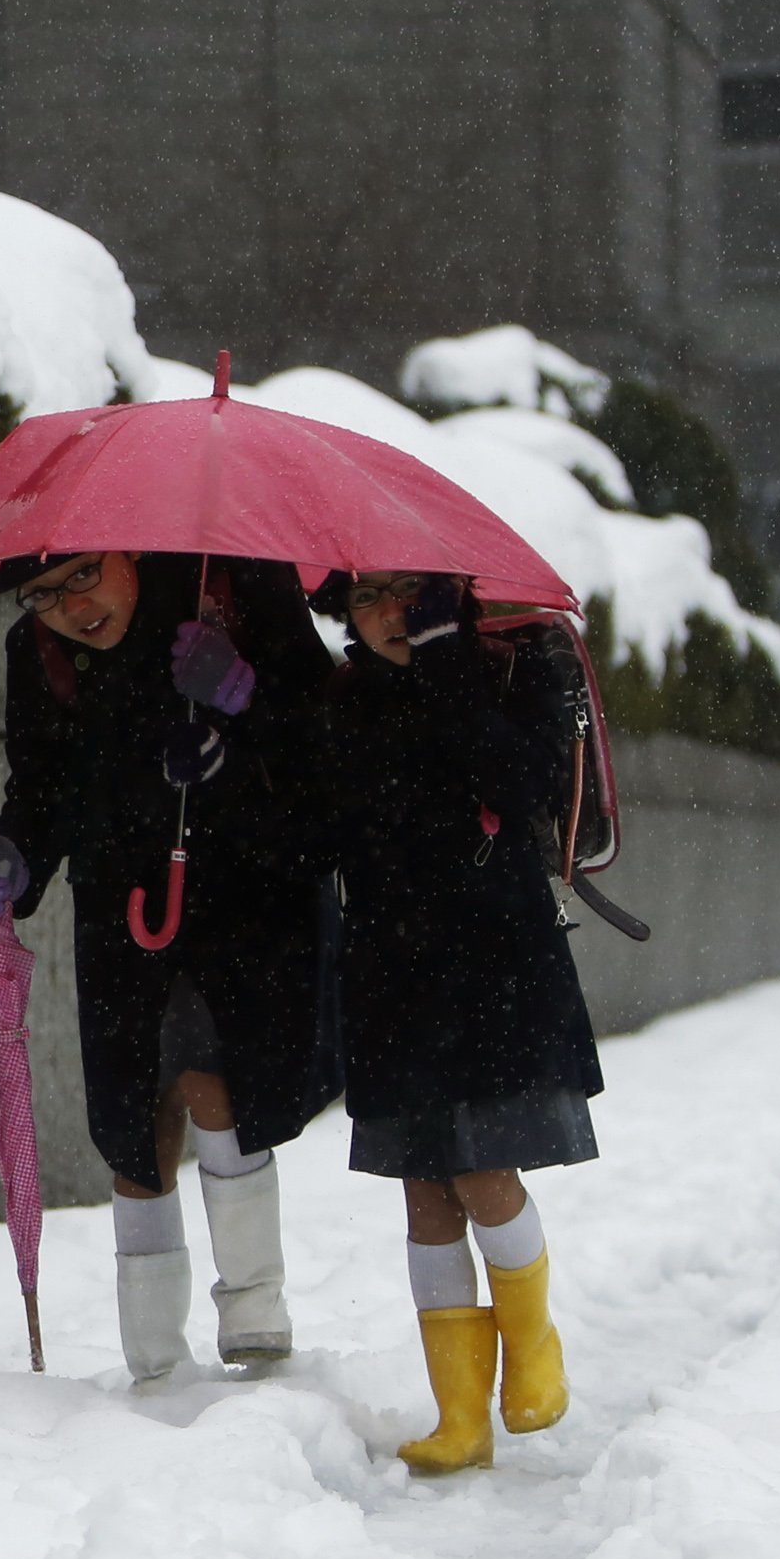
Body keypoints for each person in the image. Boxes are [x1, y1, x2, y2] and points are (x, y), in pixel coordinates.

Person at [0, 549, 339, 1384]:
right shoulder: (40, 653)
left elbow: (323, 735)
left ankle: (255, 1314)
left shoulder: (228, 586)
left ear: (127, 548)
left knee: (215, 1082)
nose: (70, 608)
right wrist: (15, 859)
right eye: (43, 595)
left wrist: (242, 699)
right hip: (119, 902)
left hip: (247, 895)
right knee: (136, 1120)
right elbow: (45, 781)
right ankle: (155, 1357)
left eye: (84, 575)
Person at [316, 571, 597, 1474]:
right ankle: (461, 1415)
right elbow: (330, 826)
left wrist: (446, 666)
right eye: (368, 599)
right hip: (393, 972)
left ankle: (536, 1350)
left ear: (447, 593)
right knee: (424, 1193)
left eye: (409, 593)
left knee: (483, 1169)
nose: (391, 614)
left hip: (494, 965)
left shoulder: (518, 671)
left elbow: (520, 786)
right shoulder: (346, 702)